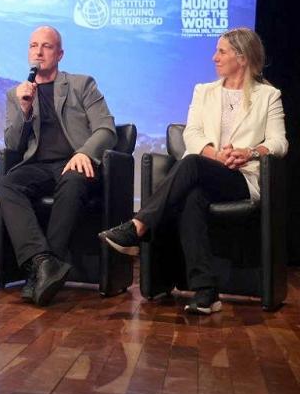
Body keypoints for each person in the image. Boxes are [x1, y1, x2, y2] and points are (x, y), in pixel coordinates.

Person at [99, 27, 288, 314]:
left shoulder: (268, 96)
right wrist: (215, 154)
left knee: (189, 163)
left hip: (241, 176)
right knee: (192, 196)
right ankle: (206, 292)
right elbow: (193, 135)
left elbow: (279, 142)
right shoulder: (204, 91)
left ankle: (138, 227)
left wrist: (248, 152)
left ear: (242, 57)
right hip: (208, 169)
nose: (214, 57)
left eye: (221, 51)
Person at [0, 25, 116, 306]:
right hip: (39, 165)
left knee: (72, 180)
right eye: (33, 46)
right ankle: (42, 263)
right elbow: (13, 145)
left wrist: (85, 152)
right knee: (6, 185)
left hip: (75, 162)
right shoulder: (17, 94)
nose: (38, 52)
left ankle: (39, 276)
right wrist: (24, 110)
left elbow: (106, 129)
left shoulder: (81, 84)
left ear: (59, 54)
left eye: (46, 46)